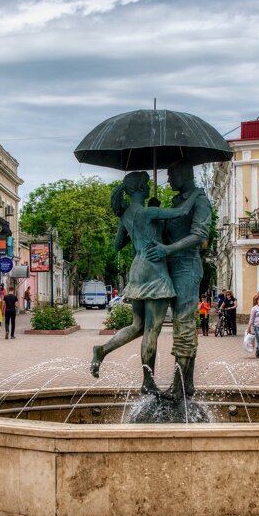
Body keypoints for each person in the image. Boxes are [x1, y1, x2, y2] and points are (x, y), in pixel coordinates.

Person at [91, 171, 195, 395]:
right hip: (154, 269)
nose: (150, 189)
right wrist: (196, 194)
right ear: (139, 188)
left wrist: (143, 229)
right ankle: (147, 382)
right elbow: (183, 211)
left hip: (137, 269)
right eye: (147, 185)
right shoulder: (148, 212)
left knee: (137, 326)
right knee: (151, 331)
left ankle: (102, 350)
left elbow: (118, 245)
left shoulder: (127, 214)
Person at [143, 162, 213, 400]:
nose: (169, 179)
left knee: (183, 323)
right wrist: (155, 215)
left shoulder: (200, 201)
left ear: (185, 173)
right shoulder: (177, 203)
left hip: (186, 267)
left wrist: (167, 249)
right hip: (169, 266)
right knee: (180, 324)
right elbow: (165, 235)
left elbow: (199, 235)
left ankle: (180, 384)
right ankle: (186, 385)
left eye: (172, 174)